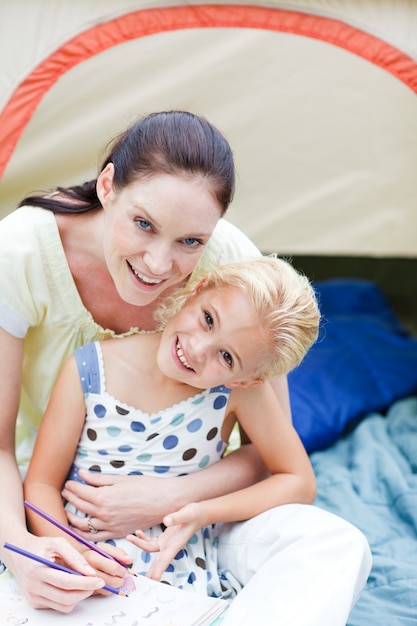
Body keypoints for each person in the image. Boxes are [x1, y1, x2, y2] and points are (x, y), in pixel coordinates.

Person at [0, 110, 371, 622]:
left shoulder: (233, 271)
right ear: (108, 185)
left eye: (190, 242)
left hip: (201, 516)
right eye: (143, 224)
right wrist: (20, 548)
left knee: (336, 544)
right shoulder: (20, 254)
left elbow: (273, 456)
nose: (158, 264)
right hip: (45, 510)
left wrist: (174, 499)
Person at [24, 256, 320, 602]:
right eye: (208, 319)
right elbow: (41, 483)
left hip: (179, 577)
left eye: (227, 357)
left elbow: (299, 481)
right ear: (198, 290)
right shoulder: (90, 368)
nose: (197, 349)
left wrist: (202, 511)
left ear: (246, 379)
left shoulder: (239, 394)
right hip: (82, 562)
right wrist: (79, 558)